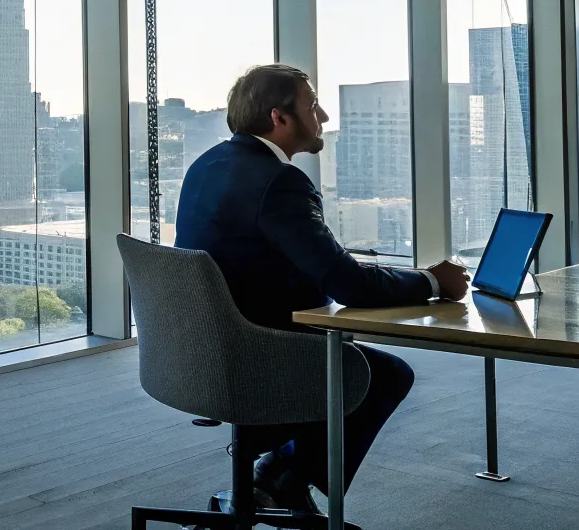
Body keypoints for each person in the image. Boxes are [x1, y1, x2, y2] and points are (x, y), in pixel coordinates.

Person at [174, 63, 470, 512]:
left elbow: (270, 254)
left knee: (343, 352)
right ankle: (290, 481)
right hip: (256, 351)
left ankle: (276, 473)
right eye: (313, 106)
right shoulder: (280, 181)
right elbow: (350, 284)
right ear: (280, 118)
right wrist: (432, 280)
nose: (324, 117)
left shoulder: (209, 163)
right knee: (381, 374)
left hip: (198, 351)